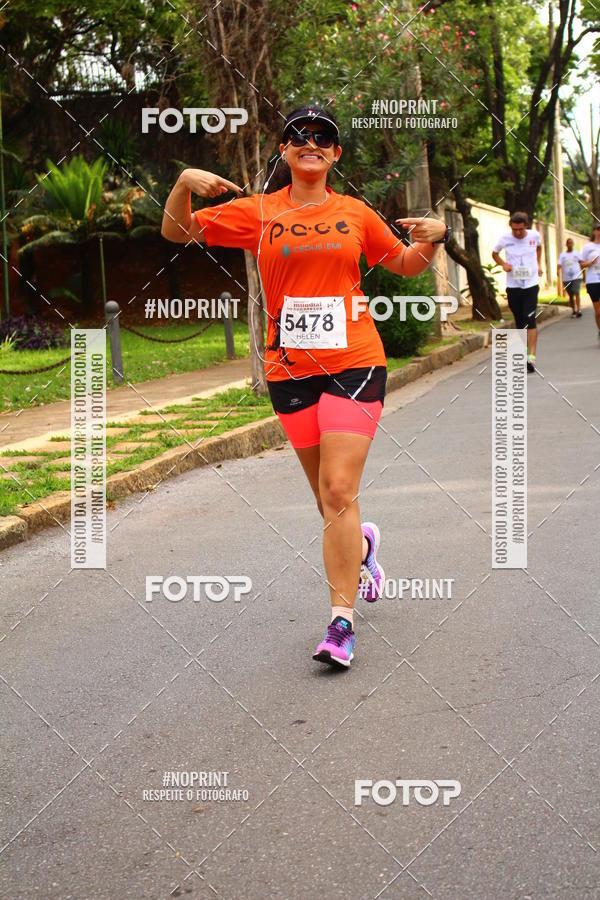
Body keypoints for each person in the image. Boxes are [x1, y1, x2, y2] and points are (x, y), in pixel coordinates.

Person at [161, 105, 448, 670]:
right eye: (300, 136)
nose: (311, 142)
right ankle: (361, 546)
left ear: (336, 153)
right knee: (328, 498)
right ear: (287, 150)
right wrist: (181, 186)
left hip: (355, 361)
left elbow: (408, 264)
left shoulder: (356, 213)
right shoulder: (259, 212)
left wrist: (437, 237)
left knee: (339, 489)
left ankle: (340, 623)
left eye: (323, 138)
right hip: (290, 369)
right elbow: (176, 230)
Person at [492, 211, 543, 372]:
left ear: (526, 226)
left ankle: (532, 356)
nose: (518, 233)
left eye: (520, 229)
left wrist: (539, 264)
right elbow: (494, 253)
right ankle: (524, 353)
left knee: (530, 317)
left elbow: (539, 248)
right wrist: (503, 264)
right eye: (515, 230)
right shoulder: (505, 239)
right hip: (513, 285)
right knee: (520, 321)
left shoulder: (534, 236)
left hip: (531, 283)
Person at [578, 222, 600, 341]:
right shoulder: (588, 247)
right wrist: (589, 263)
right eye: (598, 229)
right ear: (594, 231)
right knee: (598, 311)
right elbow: (581, 264)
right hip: (593, 281)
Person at [557, 237, 582, 318]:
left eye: (571, 243)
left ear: (573, 244)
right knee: (570, 295)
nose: (570, 245)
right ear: (566, 245)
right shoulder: (562, 255)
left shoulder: (577, 253)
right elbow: (559, 264)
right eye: (568, 243)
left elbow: (582, 263)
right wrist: (557, 270)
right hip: (566, 278)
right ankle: (573, 310)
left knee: (576, 291)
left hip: (577, 277)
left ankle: (579, 310)